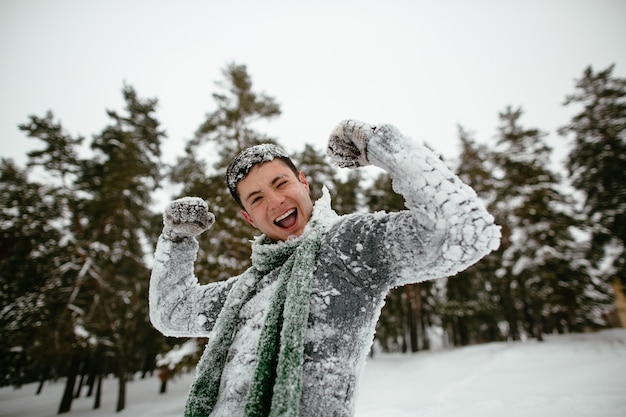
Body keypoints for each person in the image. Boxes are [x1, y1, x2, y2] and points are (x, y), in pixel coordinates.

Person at [149, 120, 501, 417]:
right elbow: (171, 312)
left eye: (280, 183)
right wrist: (177, 241)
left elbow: (465, 231)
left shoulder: (348, 247)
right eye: (256, 199)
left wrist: (379, 145)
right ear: (248, 218)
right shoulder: (246, 290)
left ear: (303, 182)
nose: (275, 201)